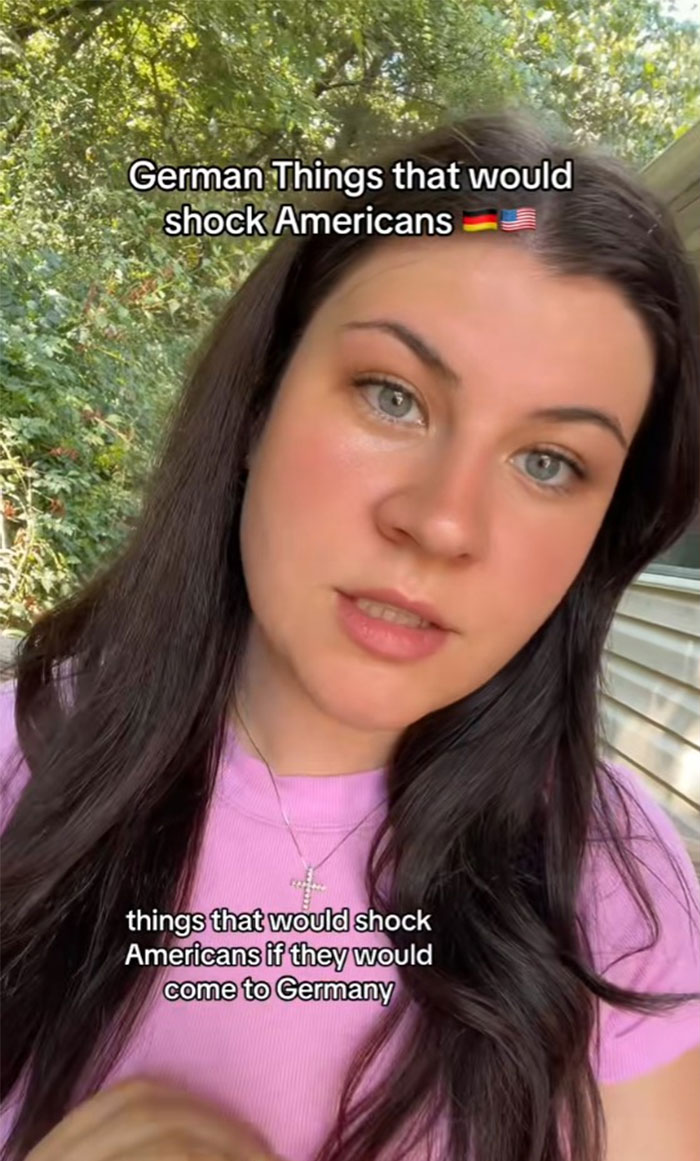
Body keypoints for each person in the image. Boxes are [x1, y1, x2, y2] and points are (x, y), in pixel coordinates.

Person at [1, 108, 699, 1161]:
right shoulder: (17, 758)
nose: (442, 522)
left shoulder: (615, 887)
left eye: (548, 462)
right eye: (392, 396)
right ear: (258, 405)